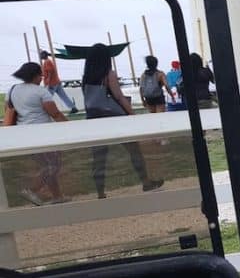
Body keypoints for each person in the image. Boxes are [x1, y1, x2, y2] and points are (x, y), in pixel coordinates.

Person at [82, 43, 163, 199]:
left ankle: (100, 192)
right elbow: (118, 96)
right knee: (133, 149)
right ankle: (146, 182)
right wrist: (132, 114)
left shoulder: (86, 77)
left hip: (94, 119)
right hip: (113, 117)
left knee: (99, 157)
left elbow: (88, 101)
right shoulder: (108, 74)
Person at [4, 62, 69, 205]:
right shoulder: (41, 92)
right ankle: (31, 190)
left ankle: (58, 196)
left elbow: (8, 110)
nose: (42, 77)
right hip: (42, 135)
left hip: (24, 134)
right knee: (53, 165)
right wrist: (70, 127)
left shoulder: (12, 90)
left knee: (47, 165)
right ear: (35, 75)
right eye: (41, 74)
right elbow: (55, 113)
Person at [40, 50, 78, 115]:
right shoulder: (48, 62)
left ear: (44, 55)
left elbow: (50, 72)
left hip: (52, 83)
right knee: (63, 96)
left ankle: (44, 111)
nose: (40, 56)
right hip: (56, 82)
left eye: (41, 55)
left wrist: (48, 82)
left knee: (47, 97)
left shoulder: (47, 62)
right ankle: (73, 108)